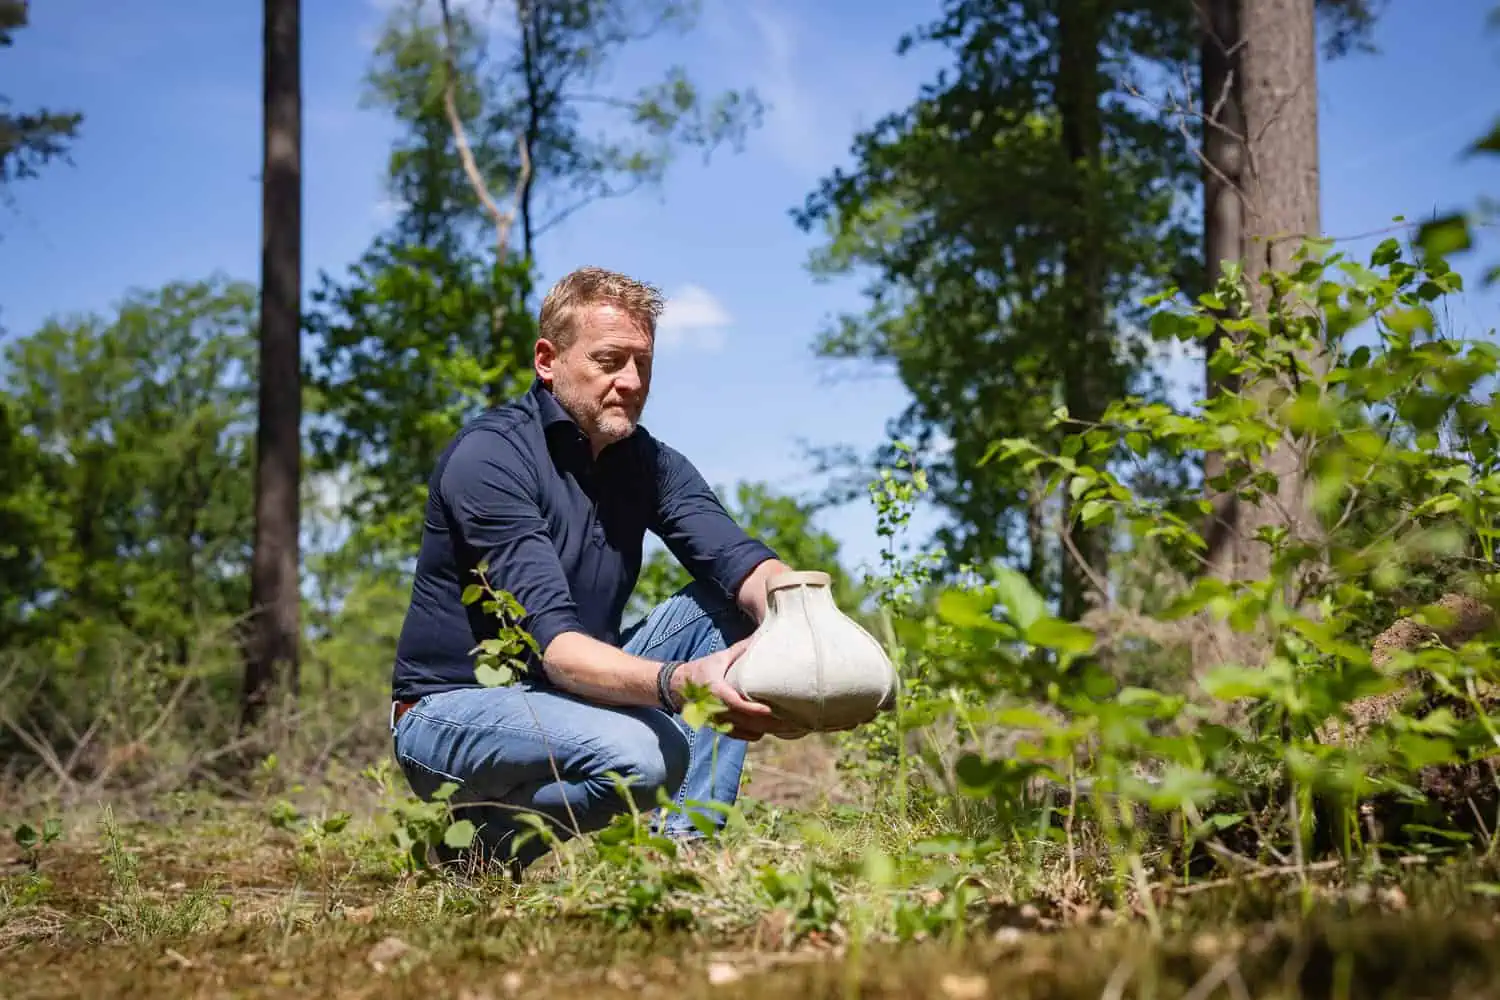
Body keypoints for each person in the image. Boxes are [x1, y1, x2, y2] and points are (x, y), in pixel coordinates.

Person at [388, 265, 802, 876]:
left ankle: (686, 859)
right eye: (609, 361)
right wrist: (681, 684)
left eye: (643, 363)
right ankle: (480, 849)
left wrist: (804, 624)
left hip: (567, 692)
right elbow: (556, 648)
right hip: (452, 710)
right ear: (547, 360)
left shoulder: (649, 462)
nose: (631, 381)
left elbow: (740, 561)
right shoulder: (491, 457)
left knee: (732, 606)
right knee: (646, 755)